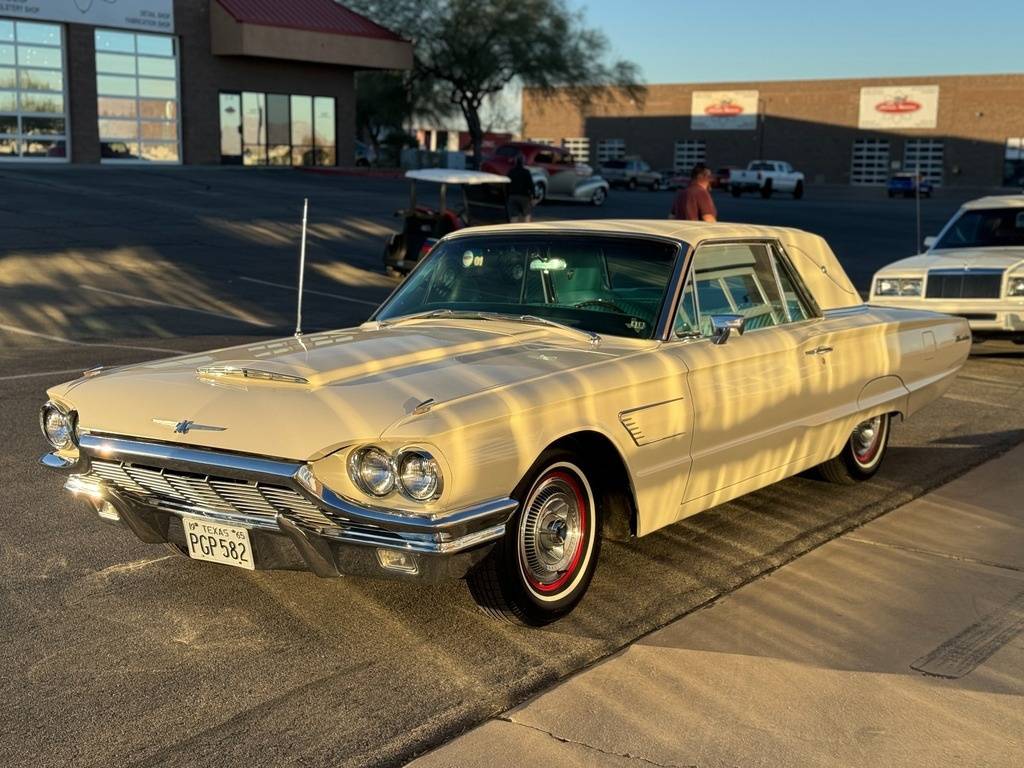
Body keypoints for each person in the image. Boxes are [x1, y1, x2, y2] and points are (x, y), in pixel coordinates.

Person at [507, 154, 535, 222]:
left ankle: (513, 230)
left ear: (515, 161)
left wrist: (508, 196)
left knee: (514, 216)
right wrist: (533, 196)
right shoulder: (526, 172)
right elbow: (531, 185)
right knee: (527, 215)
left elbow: (507, 185)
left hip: (512, 196)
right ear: (523, 162)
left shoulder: (511, 172)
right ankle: (526, 230)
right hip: (524, 196)